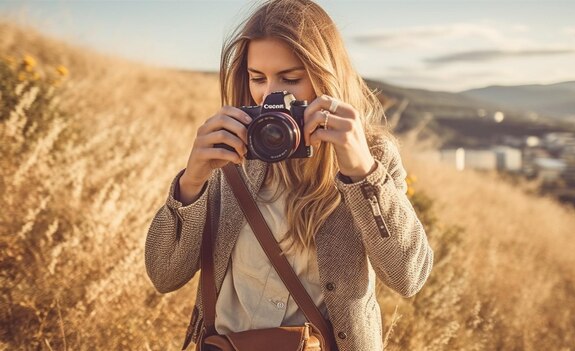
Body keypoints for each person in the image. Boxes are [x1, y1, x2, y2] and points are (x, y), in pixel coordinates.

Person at [144, 0, 434, 350]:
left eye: (291, 78)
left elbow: (408, 276)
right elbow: (163, 275)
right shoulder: (233, 152)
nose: (271, 95)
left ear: (325, 76)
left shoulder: (372, 155)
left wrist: (362, 173)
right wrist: (191, 183)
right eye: (257, 78)